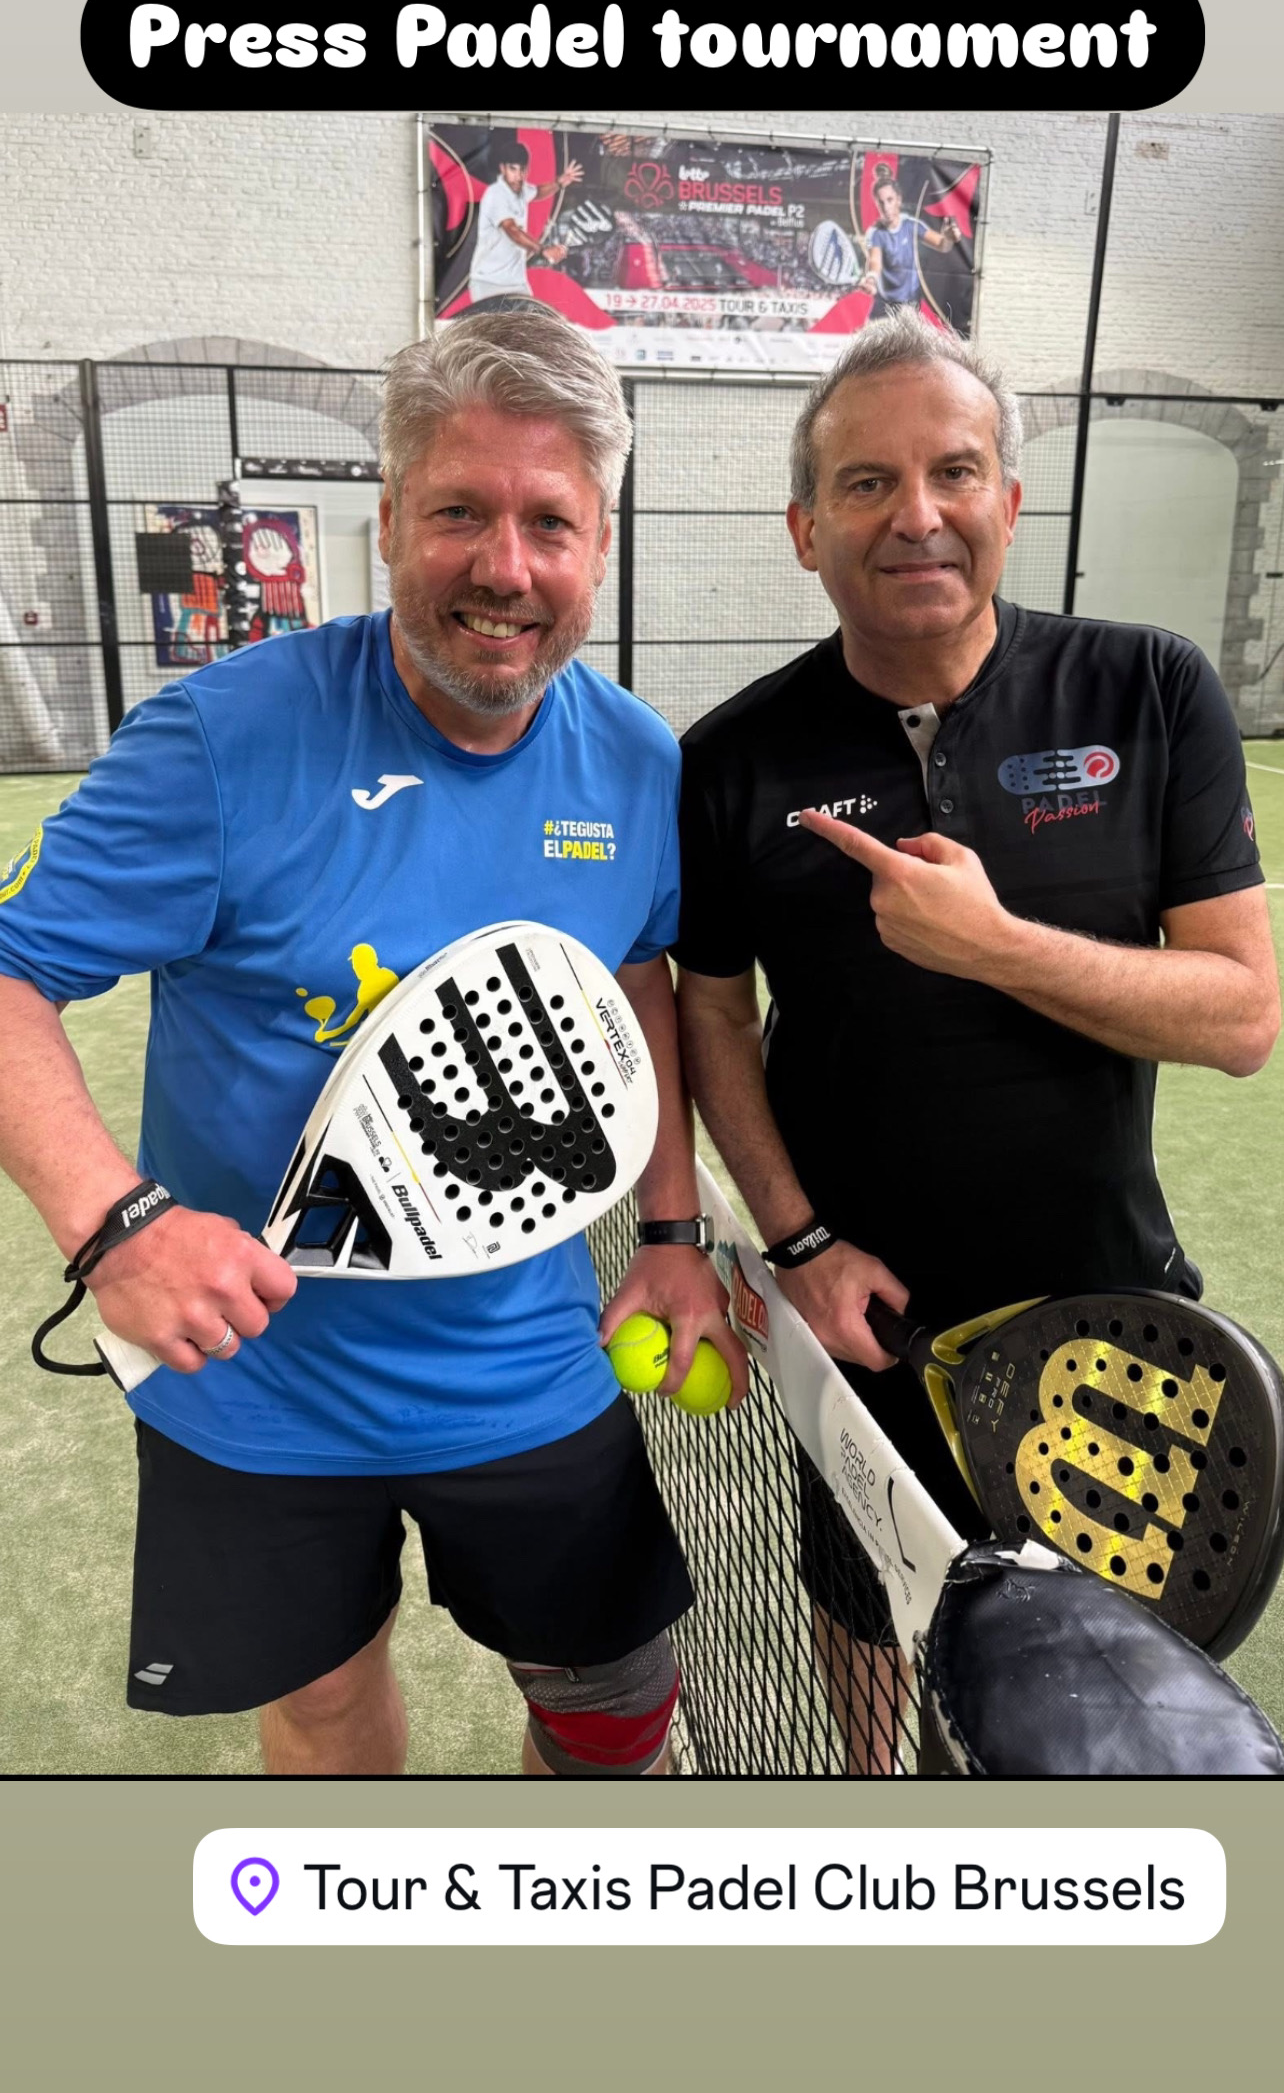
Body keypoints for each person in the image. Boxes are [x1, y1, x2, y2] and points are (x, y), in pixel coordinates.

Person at [0, 303, 743, 1779]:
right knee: (329, 1714)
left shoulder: (636, 761)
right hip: (253, 1387)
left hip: (527, 1362)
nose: (505, 567)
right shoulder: (221, 742)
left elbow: (635, 978)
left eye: (549, 521)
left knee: (612, 1704)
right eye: (460, 511)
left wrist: (671, 1228)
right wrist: (113, 1223)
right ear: (391, 518)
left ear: (598, 544)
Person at [674, 309, 1279, 1767]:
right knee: (861, 1609)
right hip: (863, 1318)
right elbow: (712, 1007)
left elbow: (1243, 1014)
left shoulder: (1150, 689)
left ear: (1009, 501)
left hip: (1109, 1314)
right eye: (867, 482)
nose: (917, 514)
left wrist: (995, 945)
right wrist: (799, 1244)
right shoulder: (731, 758)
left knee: (1101, 1696)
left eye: (954, 471)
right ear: (805, 529)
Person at [467, 139, 584, 306]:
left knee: (532, 320)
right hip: (488, 282)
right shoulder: (496, 194)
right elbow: (512, 230)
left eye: (522, 170)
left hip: (515, 283)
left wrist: (559, 182)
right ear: (503, 168)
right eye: (513, 169)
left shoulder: (521, 189)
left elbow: (538, 192)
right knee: (499, 324)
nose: (518, 176)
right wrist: (542, 250)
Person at [859, 165, 961, 319]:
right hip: (883, 304)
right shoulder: (875, 233)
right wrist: (871, 279)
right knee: (869, 334)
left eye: (890, 200)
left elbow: (942, 245)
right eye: (881, 202)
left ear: (898, 200)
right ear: (876, 203)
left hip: (909, 305)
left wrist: (948, 238)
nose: (886, 207)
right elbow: (875, 262)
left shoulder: (911, 225)